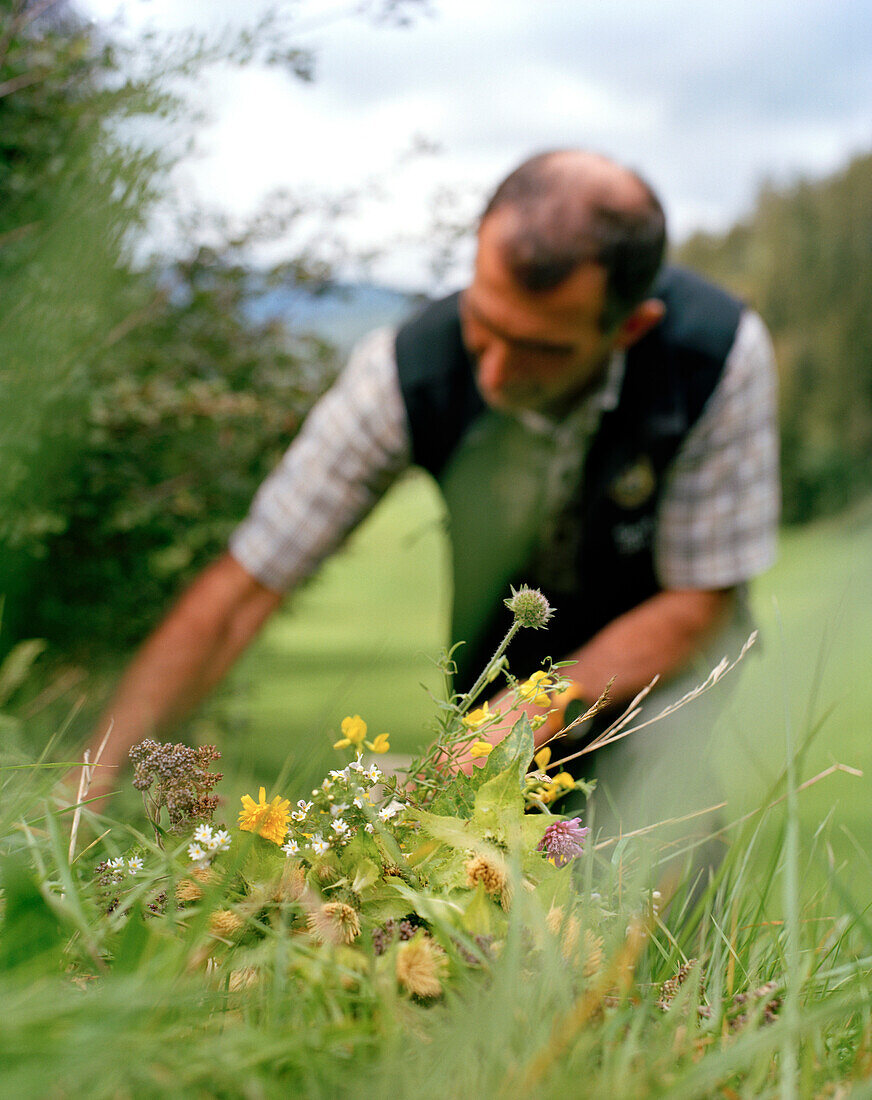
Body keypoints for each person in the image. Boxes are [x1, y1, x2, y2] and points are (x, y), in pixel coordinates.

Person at [79, 150, 779, 827]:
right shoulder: (399, 370)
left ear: (631, 328)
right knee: (463, 879)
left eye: (542, 349)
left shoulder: (714, 357)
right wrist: (92, 783)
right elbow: (245, 588)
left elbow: (700, 600)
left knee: (645, 837)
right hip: (491, 665)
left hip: (653, 675)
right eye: (484, 324)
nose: (495, 376)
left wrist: (539, 704)